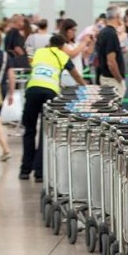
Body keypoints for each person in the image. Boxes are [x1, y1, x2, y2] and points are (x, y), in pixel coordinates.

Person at [20, 34, 85, 181]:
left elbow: (32, 63)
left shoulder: (39, 52)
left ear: (49, 44)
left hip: (32, 90)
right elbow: (75, 75)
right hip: (50, 93)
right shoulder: (62, 55)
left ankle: (24, 170)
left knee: (29, 130)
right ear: (62, 46)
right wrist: (85, 87)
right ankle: (39, 173)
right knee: (45, 132)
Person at [0, 28, 15, 162]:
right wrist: (11, 93)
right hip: (1, 89)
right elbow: (11, 76)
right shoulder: (5, 56)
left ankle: (5, 149)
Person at [96, 6, 126, 97]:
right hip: (112, 80)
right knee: (114, 108)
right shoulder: (111, 34)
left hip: (105, 76)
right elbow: (111, 62)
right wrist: (119, 79)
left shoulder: (103, 32)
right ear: (117, 16)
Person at [59, 19, 93, 87]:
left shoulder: (75, 44)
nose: (74, 32)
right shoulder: (62, 44)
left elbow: (86, 54)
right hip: (68, 75)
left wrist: (92, 42)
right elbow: (72, 54)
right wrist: (84, 42)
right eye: (72, 30)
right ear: (66, 30)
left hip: (78, 75)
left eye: (75, 30)